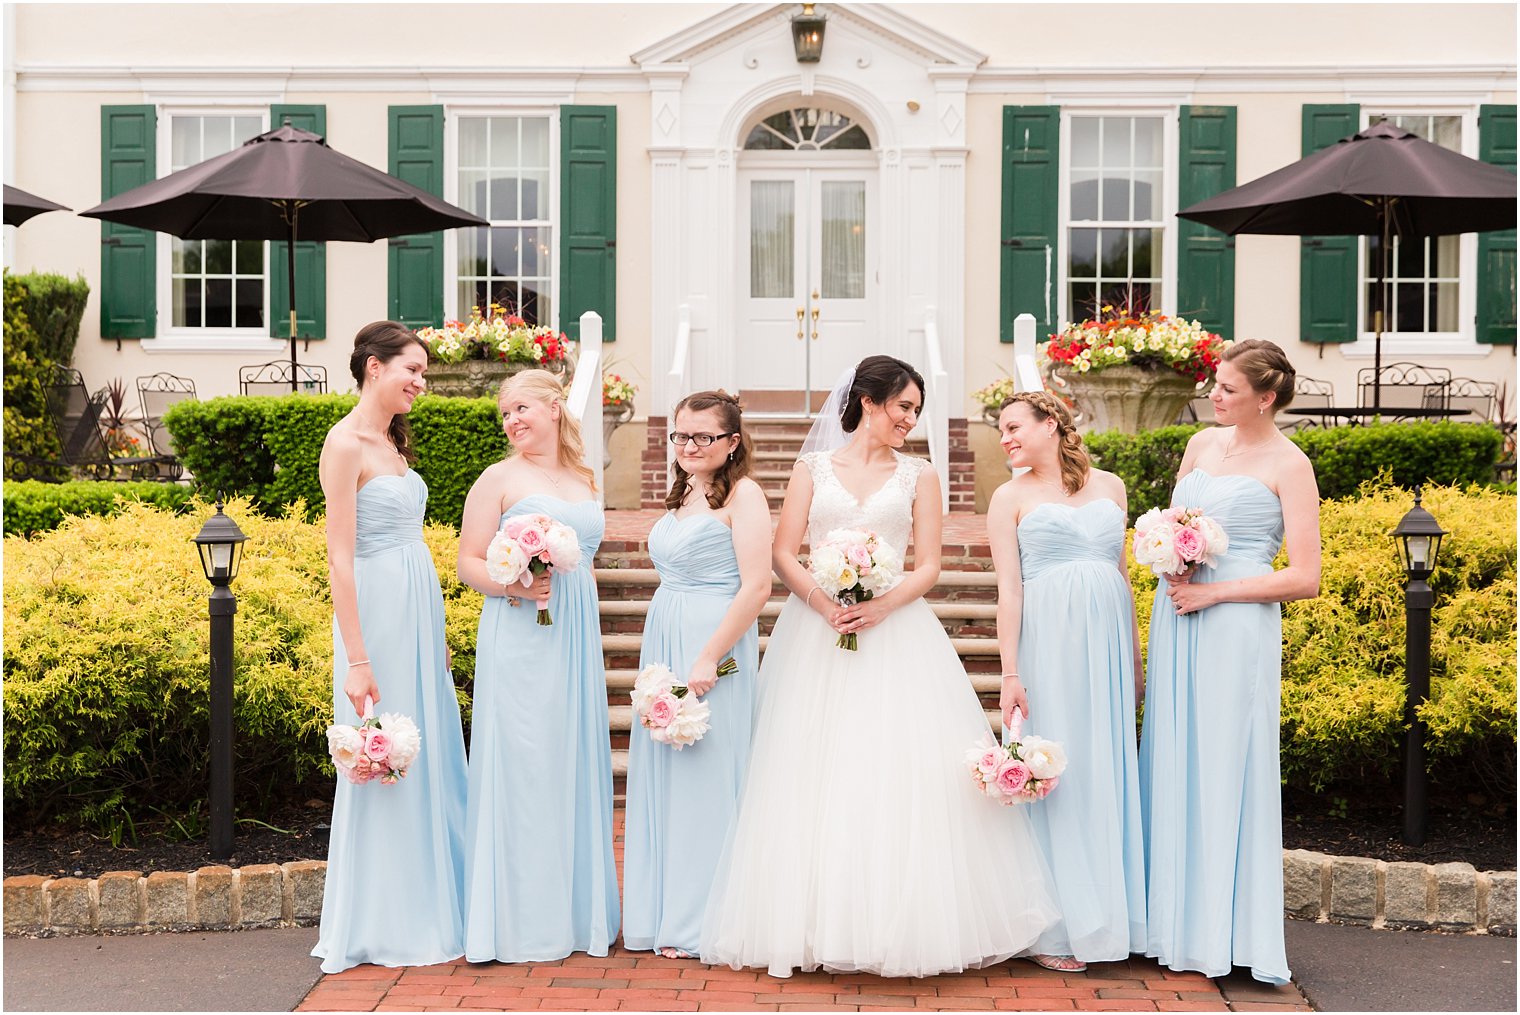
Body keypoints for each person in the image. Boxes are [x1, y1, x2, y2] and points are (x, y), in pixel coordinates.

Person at [700, 355, 1058, 978]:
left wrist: (881, 606)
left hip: (898, 634)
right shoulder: (812, 467)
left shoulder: (920, 475)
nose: (909, 420)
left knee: (898, 769)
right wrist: (824, 602)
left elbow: (927, 564)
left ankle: (900, 922)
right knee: (812, 768)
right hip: (816, 634)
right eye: (903, 407)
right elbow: (785, 552)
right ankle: (814, 923)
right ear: (868, 400)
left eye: (916, 411)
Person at [1140, 339, 1321, 985]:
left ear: (1266, 398)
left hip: (1234, 620)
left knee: (1222, 763)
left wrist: (1212, 590)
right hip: (1179, 611)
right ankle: (1169, 925)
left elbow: (1305, 576)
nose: (1214, 396)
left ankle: (1225, 933)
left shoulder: (1290, 464)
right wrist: (1169, 555)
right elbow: (1173, 520)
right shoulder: (1200, 446)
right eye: (1215, 384)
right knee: (1173, 755)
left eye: (1229, 389)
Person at [312, 321, 468, 973]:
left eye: (424, 372)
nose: (420, 382)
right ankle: (385, 918)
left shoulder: (393, 439)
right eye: (412, 369)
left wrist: (436, 642)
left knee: (425, 746)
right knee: (385, 752)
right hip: (375, 611)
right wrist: (357, 656)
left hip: (416, 607)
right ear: (374, 366)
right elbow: (339, 558)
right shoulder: (345, 444)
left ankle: (435, 899)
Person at [456, 369, 618, 962]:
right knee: (525, 760)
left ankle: (575, 914)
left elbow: (589, 561)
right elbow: (468, 563)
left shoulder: (584, 477)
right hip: (520, 631)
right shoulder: (497, 479)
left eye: (522, 408)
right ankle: (522, 919)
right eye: (505, 413)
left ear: (555, 407)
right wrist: (515, 587)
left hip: (573, 632)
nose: (513, 421)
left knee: (569, 757)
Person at [987, 391, 1146, 973]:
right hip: (1047, 643)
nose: (1005, 439)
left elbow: (1123, 575)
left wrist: (1133, 657)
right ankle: (1055, 925)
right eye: (1000, 431)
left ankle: (1110, 915)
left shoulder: (1111, 486)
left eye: (1012, 427)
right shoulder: (1009, 496)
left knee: (1105, 766)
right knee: (1058, 767)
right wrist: (1010, 672)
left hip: (1105, 646)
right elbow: (1010, 588)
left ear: (1050, 423)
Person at [623, 390, 771, 960]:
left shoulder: (746, 494)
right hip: (665, 632)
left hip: (716, 638)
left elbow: (757, 586)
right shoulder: (682, 491)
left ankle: (704, 918)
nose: (688, 445)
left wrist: (710, 655)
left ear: (732, 442)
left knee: (708, 773)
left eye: (702, 436)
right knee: (667, 773)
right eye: (680, 435)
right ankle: (663, 910)